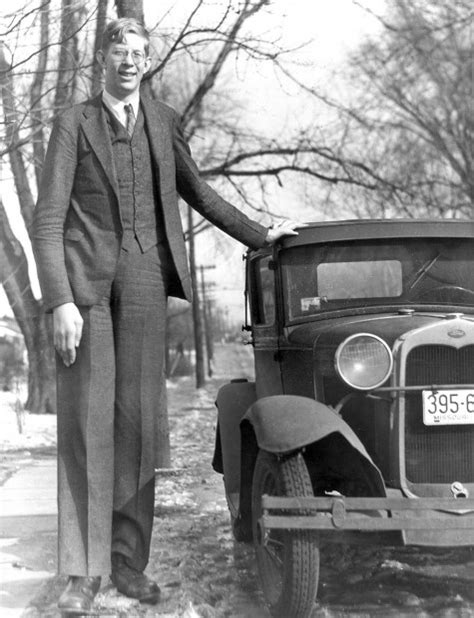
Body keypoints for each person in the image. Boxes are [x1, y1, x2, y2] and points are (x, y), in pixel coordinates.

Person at [32, 17, 299, 614]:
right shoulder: (71, 123)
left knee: (136, 425)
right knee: (85, 426)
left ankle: (127, 562)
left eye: (138, 52)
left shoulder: (161, 120)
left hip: (147, 282)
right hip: (86, 289)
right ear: (101, 58)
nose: (129, 60)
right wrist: (59, 301)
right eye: (118, 50)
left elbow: (199, 193)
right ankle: (82, 570)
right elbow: (48, 219)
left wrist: (263, 234)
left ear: (147, 62)